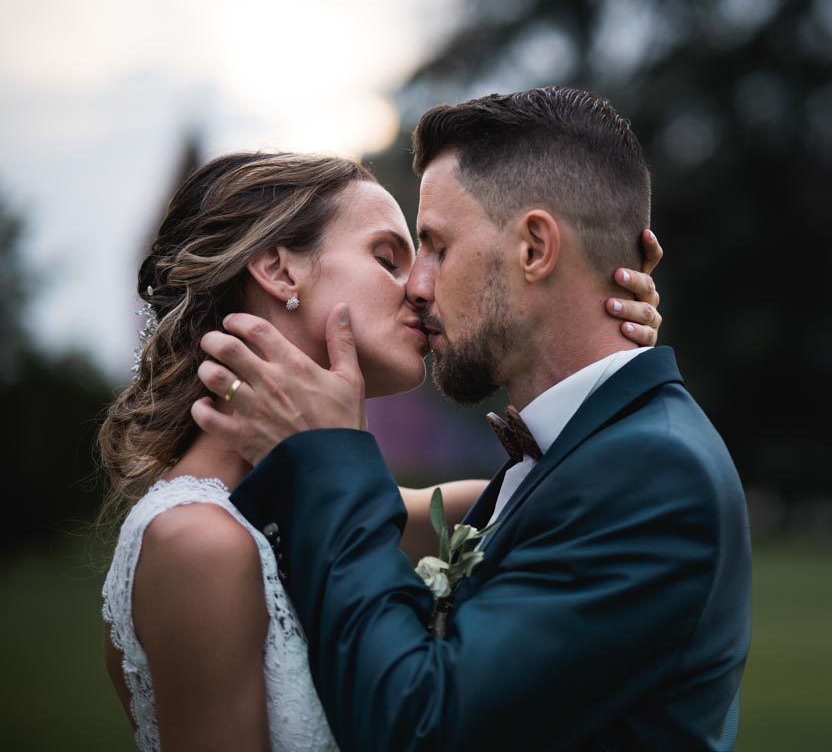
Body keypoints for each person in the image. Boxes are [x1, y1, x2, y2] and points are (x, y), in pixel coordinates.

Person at [193, 87, 752, 752]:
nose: (417, 287)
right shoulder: (576, 455)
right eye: (396, 256)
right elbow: (393, 519)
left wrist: (330, 450)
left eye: (434, 246)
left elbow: (418, 726)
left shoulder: (652, 472)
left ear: (535, 249)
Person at [97, 150, 664, 751]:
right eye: (388, 258)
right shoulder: (198, 542)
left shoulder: (322, 510)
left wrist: (600, 340)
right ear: (280, 271)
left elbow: (555, 499)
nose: (422, 289)